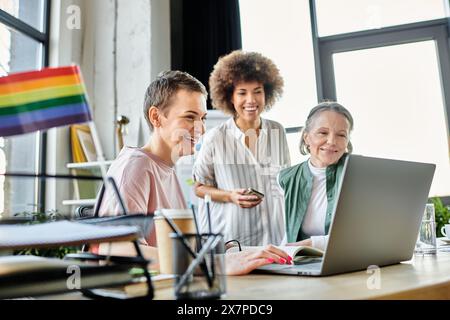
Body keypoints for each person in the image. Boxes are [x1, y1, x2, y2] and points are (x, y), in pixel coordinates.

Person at [97, 70, 290, 274]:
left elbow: (180, 251)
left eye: (202, 118)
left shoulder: (167, 168)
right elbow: (116, 251)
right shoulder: (134, 167)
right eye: (190, 117)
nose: (201, 129)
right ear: (156, 117)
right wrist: (215, 264)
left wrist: (231, 252)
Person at [193, 51, 291, 246]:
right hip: (235, 239)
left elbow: (285, 181)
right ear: (230, 96)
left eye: (257, 91)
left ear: (267, 93)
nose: (251, 100)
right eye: (242, 93)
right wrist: (230, 196)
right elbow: (198, 187)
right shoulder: (215, 138)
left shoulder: (277, 130)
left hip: (277, 237)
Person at [278, 101, 354, 251]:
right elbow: (287, 234)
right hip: (305, 263)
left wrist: (314, 243)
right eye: (323, 133)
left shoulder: (358, 172)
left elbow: (361, 236)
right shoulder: (286, 178)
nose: (332, 141)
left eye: (341, 135)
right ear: (306, 137)